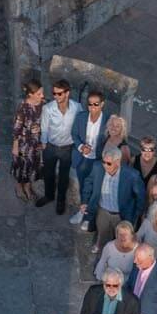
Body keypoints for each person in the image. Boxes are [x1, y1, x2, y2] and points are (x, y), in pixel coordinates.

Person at [83, 147, 145, 249]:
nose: (105, 165)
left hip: (122, 215)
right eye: (103, 162)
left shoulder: (132, 175)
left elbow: (140, 196)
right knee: (102, 235)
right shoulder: (97, 167)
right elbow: (88, 182)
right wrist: (85, 201)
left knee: (122, 242)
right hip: (103, 212)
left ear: (117, 162)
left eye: (109, 163)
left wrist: (136, 214)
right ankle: (101, 251)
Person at [34, 79, 80, 216]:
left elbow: (80, 125)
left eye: (59, 94)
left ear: (67, 93)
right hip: (51, 146)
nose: (56, 96)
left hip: (67, 147)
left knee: (64, 176)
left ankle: (60, 201)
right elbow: (44, 127)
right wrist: (43, 143)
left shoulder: (77, 107)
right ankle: (49, 196)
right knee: (48, 173)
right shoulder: (48, 108)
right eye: (54, 93)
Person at [68, 90, 112, 228]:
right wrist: (81, 147)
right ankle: (82, 211)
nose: (92, 107)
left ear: (102, 104)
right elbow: (74, 134)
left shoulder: (108, 120)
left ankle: (89, 217)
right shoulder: (81, 117)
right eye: (90, 104)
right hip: (83, 158)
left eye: (96, 104)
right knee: (83, 187)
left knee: (95, 190)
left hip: (98, 160)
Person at [10, 79, 44, 204]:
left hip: (36, 143)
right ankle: (19, 187)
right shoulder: (23, 108)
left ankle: (28, 187)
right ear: (31, 94)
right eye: (39, 94)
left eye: (42, 93)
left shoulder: (42, 104)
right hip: (24, 143)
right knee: (21, 166)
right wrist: (15, 146)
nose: (42, 96)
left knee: (32, 166)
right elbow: (16, 128)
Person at [96, 219, 141, 286]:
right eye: (120, 234)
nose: (123, 237)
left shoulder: (138, 249)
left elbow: (141, 270)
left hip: (128, 282)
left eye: (126, 234)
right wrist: (99, 278)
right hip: (111, 279)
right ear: (116, 235)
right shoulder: (109, 246)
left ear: (132, 235)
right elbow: (102, 262)